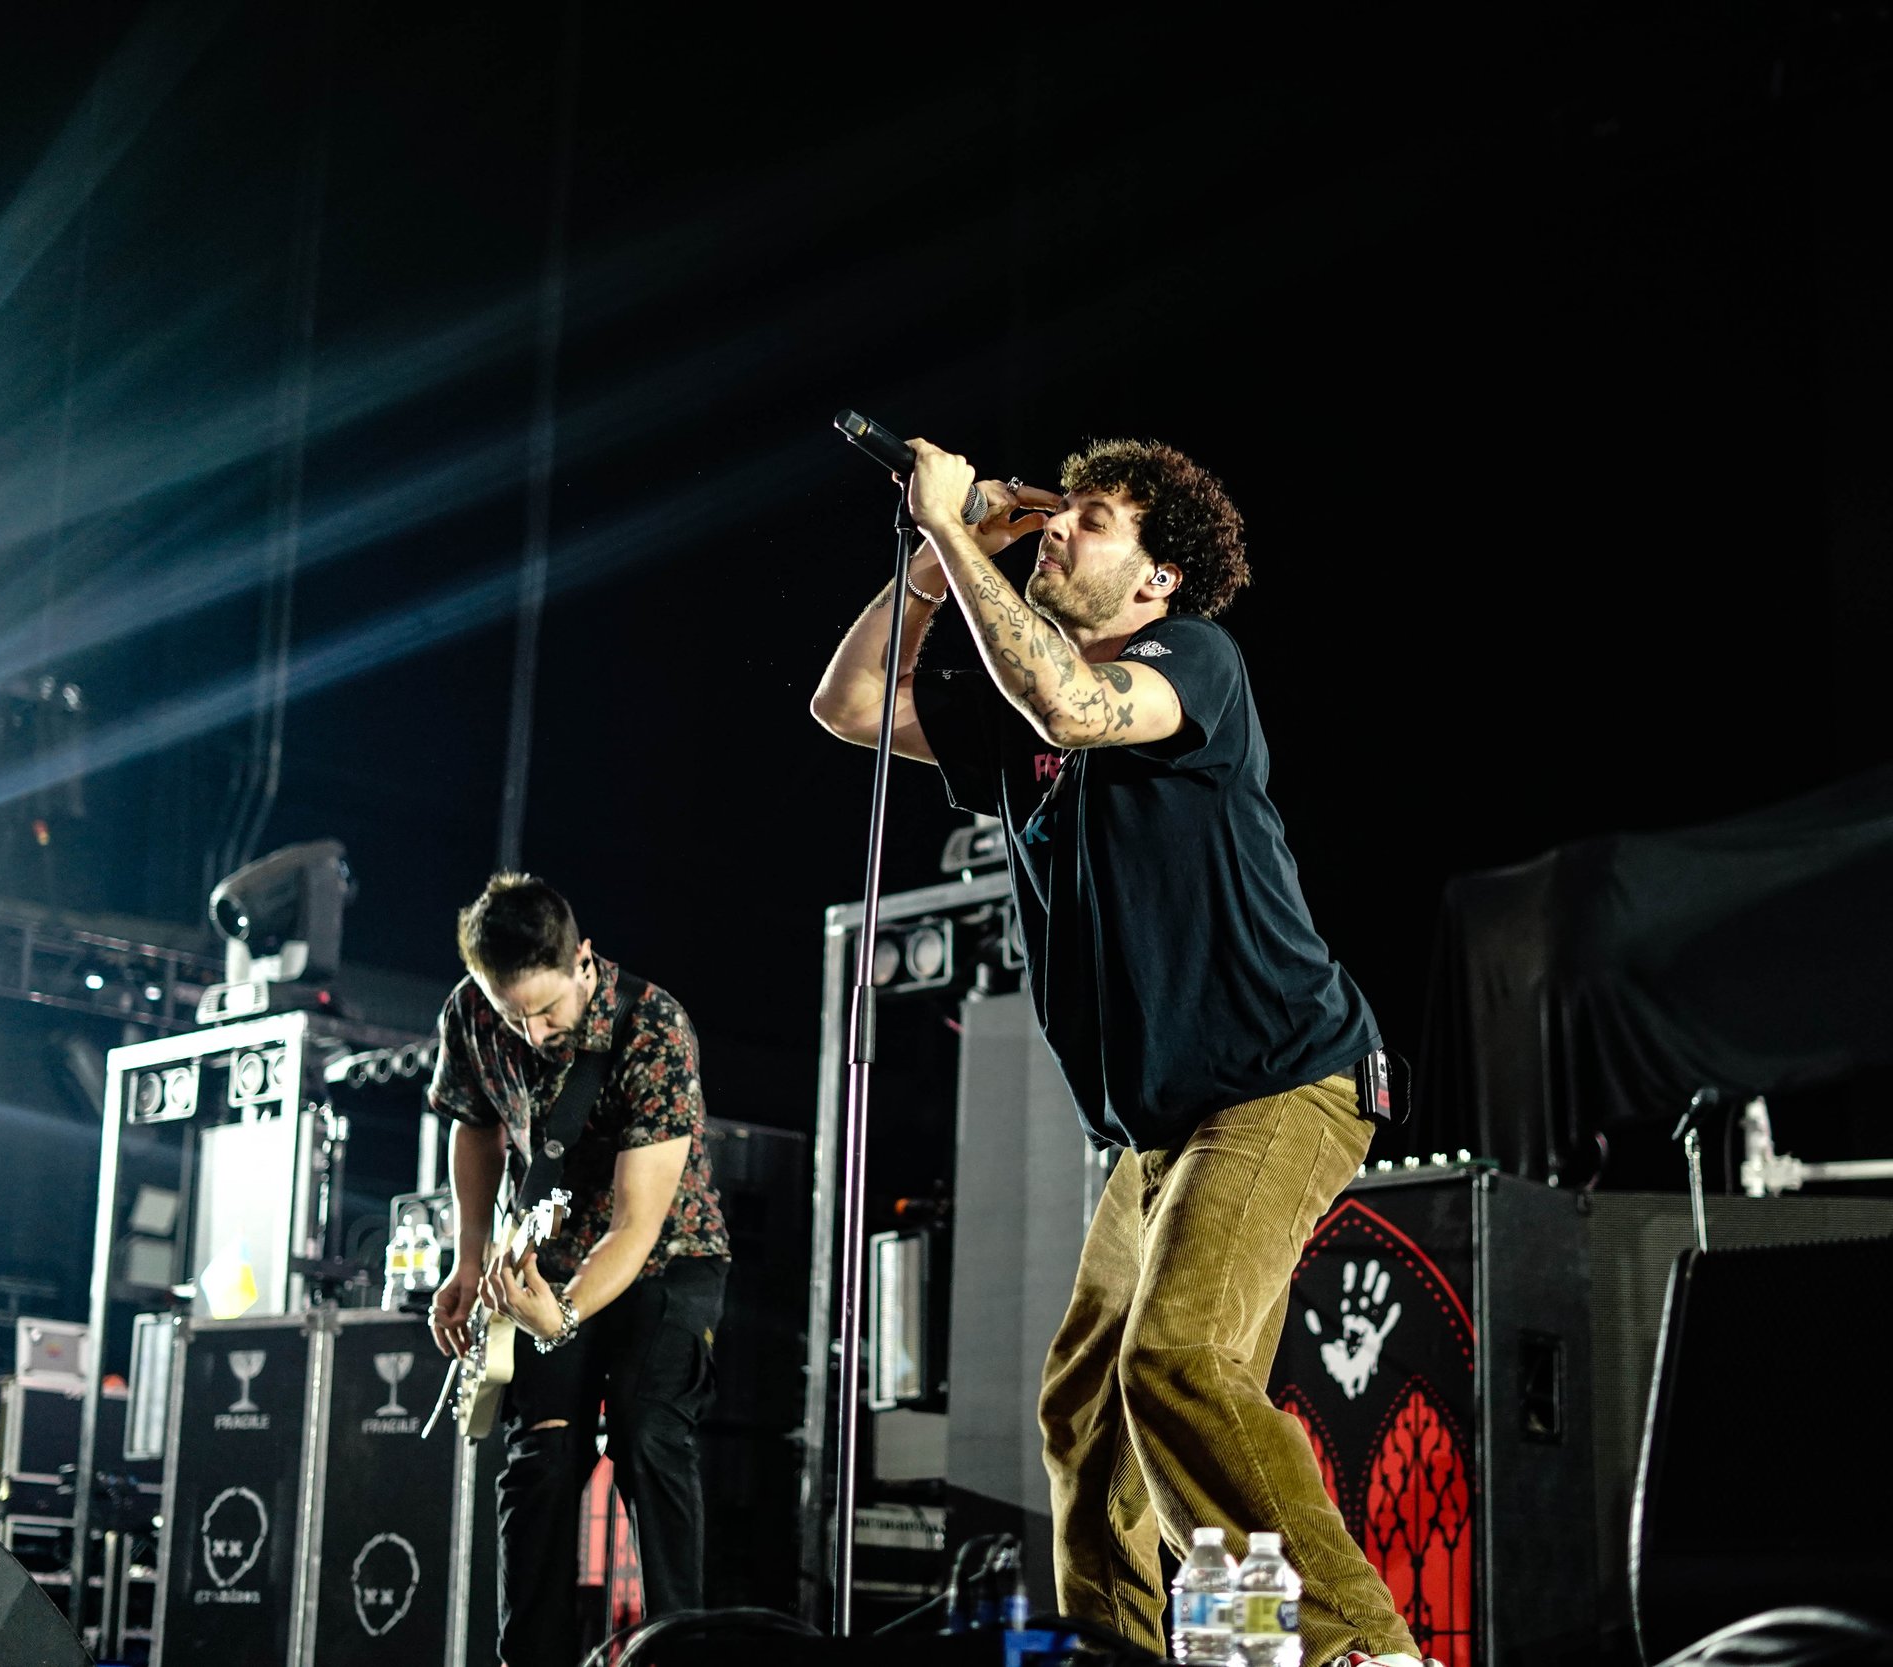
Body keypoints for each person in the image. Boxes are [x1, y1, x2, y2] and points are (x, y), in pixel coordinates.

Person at [810, 438, 1434, 1667]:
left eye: (1091, 521)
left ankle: (1364, 1645)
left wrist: (947, 530)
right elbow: (851, 705)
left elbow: (1070, 702)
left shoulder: (1190, 660)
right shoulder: (1011, 712)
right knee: (1088, 1415)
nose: (1059, 529)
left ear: (1155, 581)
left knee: (1178, 1358)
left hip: (1281, 1081)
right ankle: (1144, 1652)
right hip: (1156, 1128)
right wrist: (946, 565)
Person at [424, 872, 730, 1667]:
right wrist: (467, 1258)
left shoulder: (654, 1029)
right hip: (544, 1259)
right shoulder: (470, 1013)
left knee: (644, 1431)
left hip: (665, 1259)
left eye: (548, 1011)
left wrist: (559, 1318)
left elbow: (634, 1226)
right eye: (512, 1014)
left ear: (584, 961)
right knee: (540, 1460)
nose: (531, 1031)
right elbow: (476, 1126)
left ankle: (680, 1650)